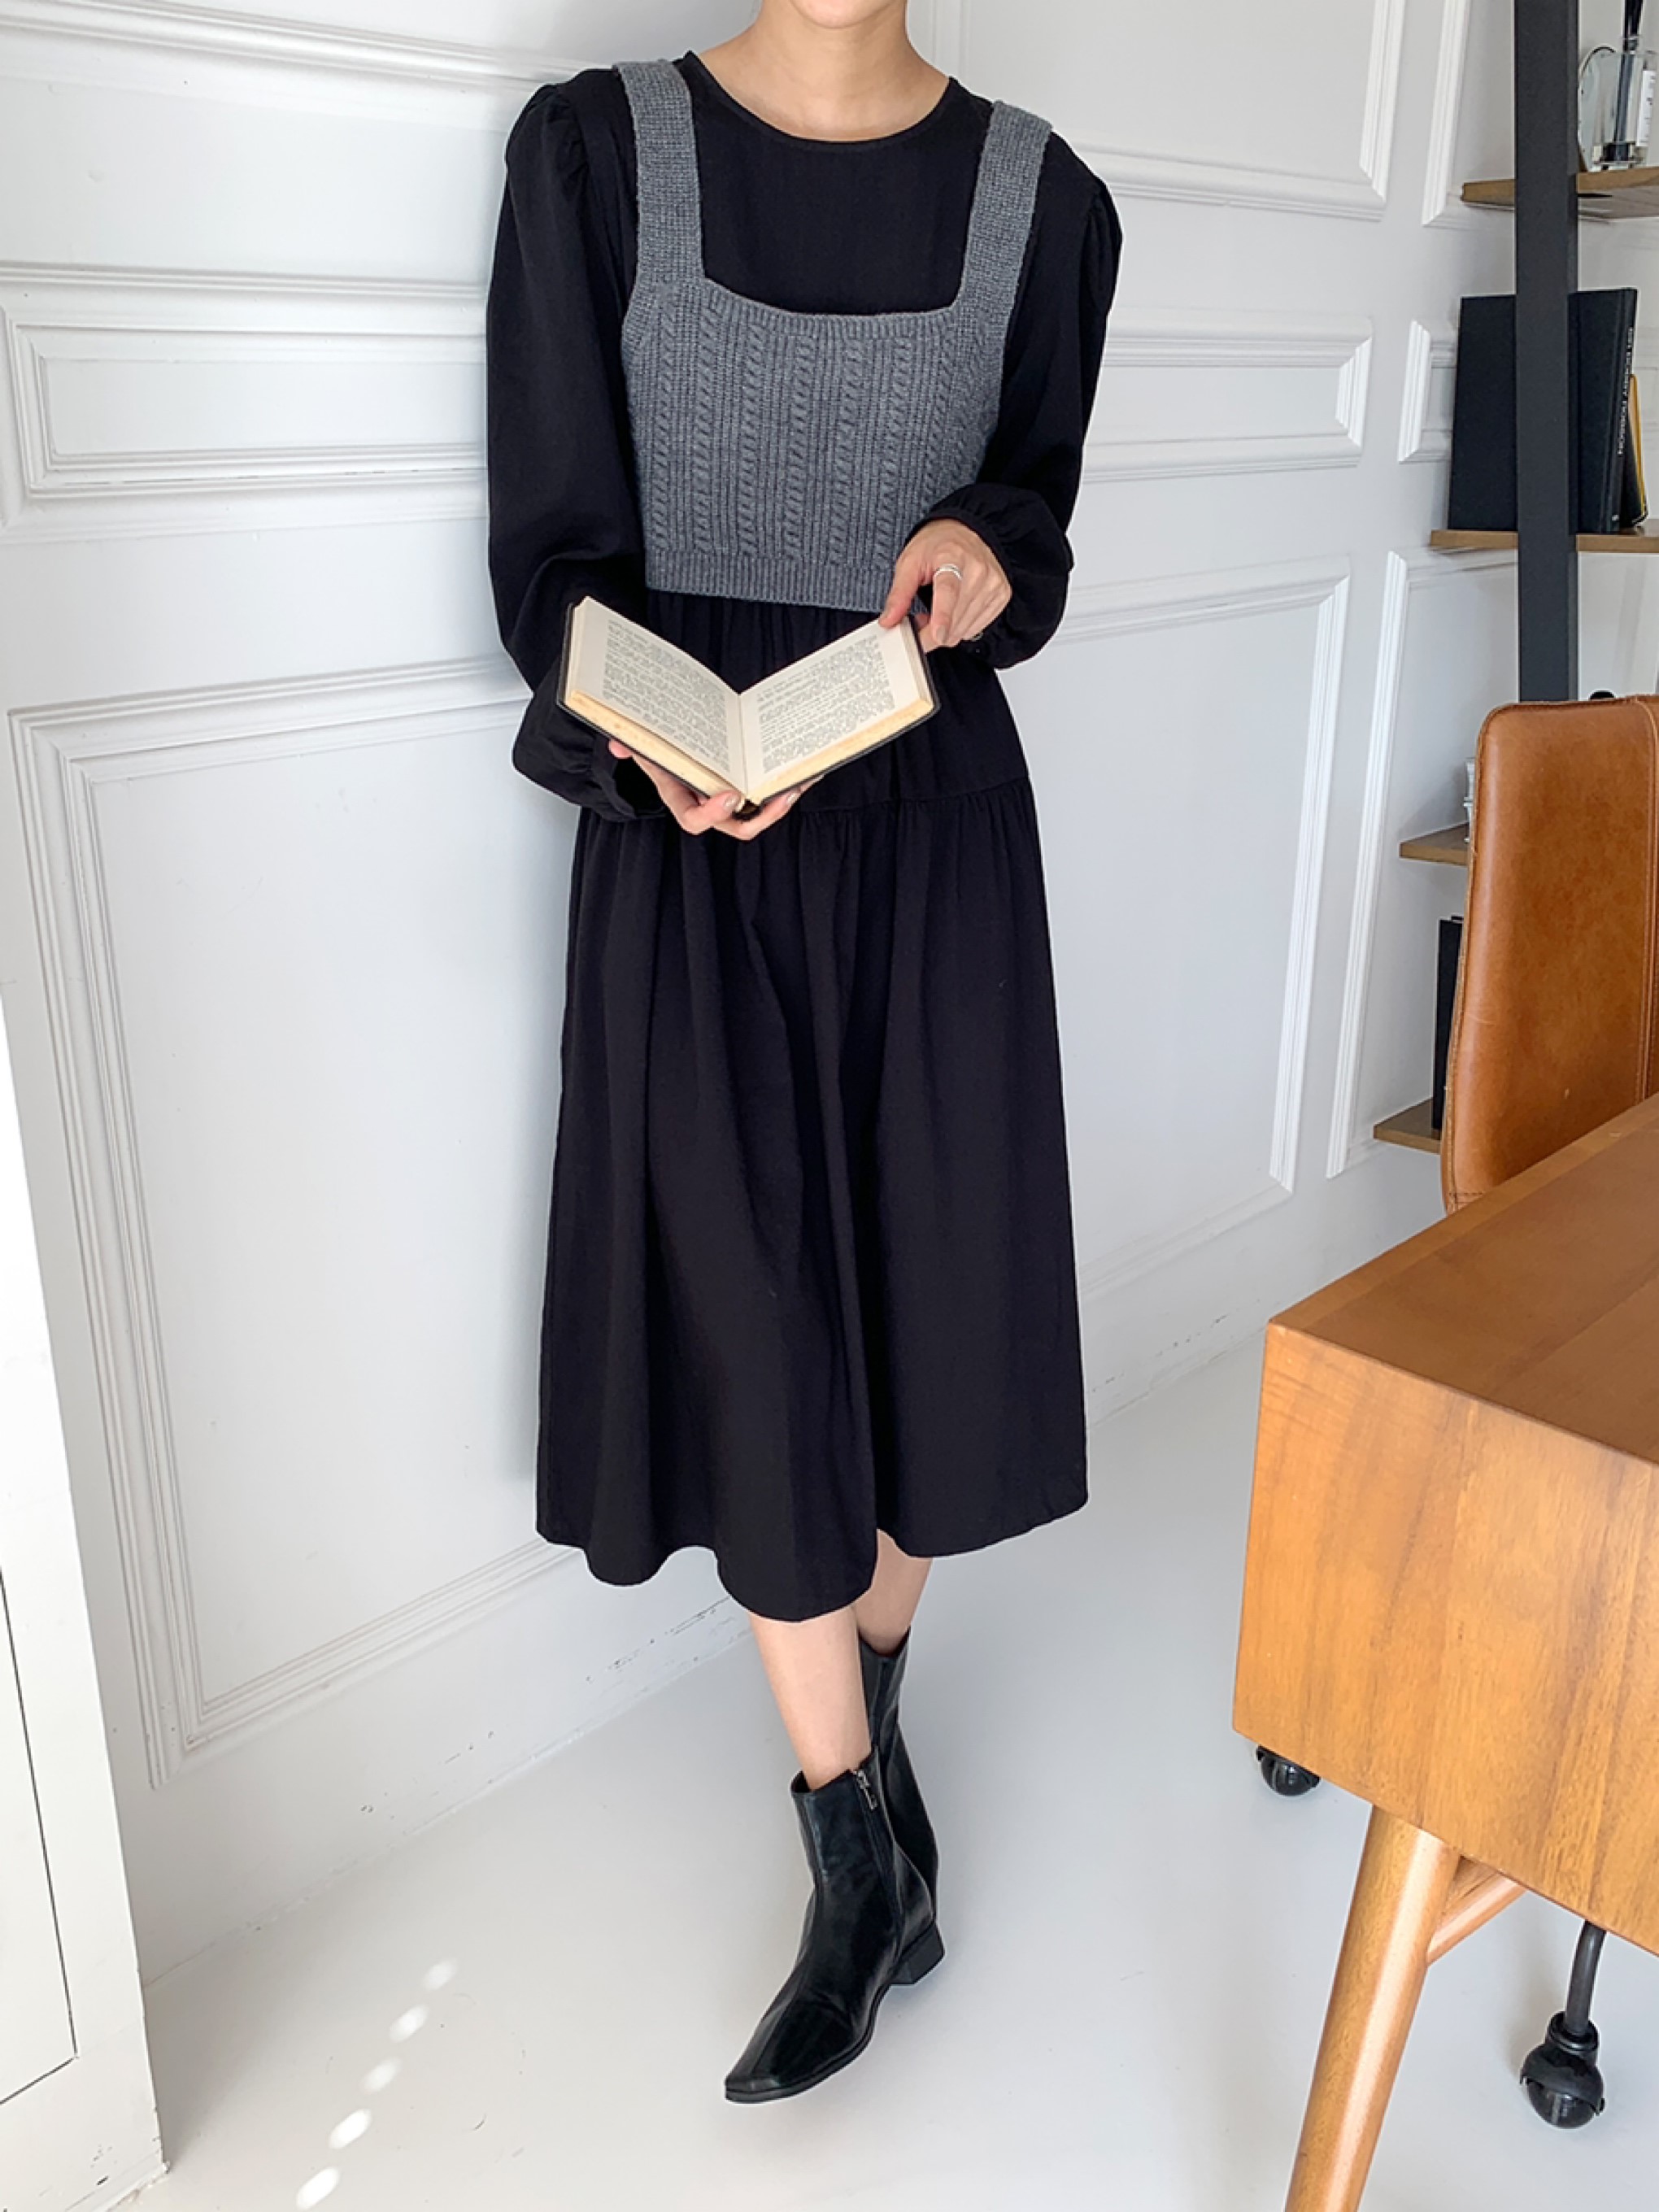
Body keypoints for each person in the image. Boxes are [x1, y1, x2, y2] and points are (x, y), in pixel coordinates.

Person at [486, 0, 1120, 2104]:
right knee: (750, 1324)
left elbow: (1031, 527)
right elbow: (553, 553)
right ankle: (858, 1860)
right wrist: (640, 740)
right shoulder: (596, 157)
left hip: (928, 822)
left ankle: (876, 1742)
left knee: (932, 1298)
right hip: (695, 831)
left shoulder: (1047, 202)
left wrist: (984, 554)